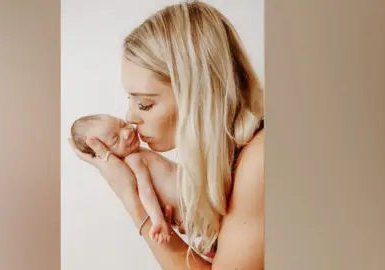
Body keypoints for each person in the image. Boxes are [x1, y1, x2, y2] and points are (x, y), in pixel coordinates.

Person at [68, 1, 265, 269]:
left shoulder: (260, 160)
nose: (130, 117)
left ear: (198, 94)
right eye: (130, 99)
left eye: (145, 104)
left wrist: (133, 201)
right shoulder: (230, 157)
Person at [70, 113, 185, 243]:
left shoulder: (138, 153)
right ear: (104, 152)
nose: (127, 133)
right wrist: (157, 219)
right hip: (190, 203)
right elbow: (145, 191)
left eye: (122, 124)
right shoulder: (133, 160)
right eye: (115, 140)